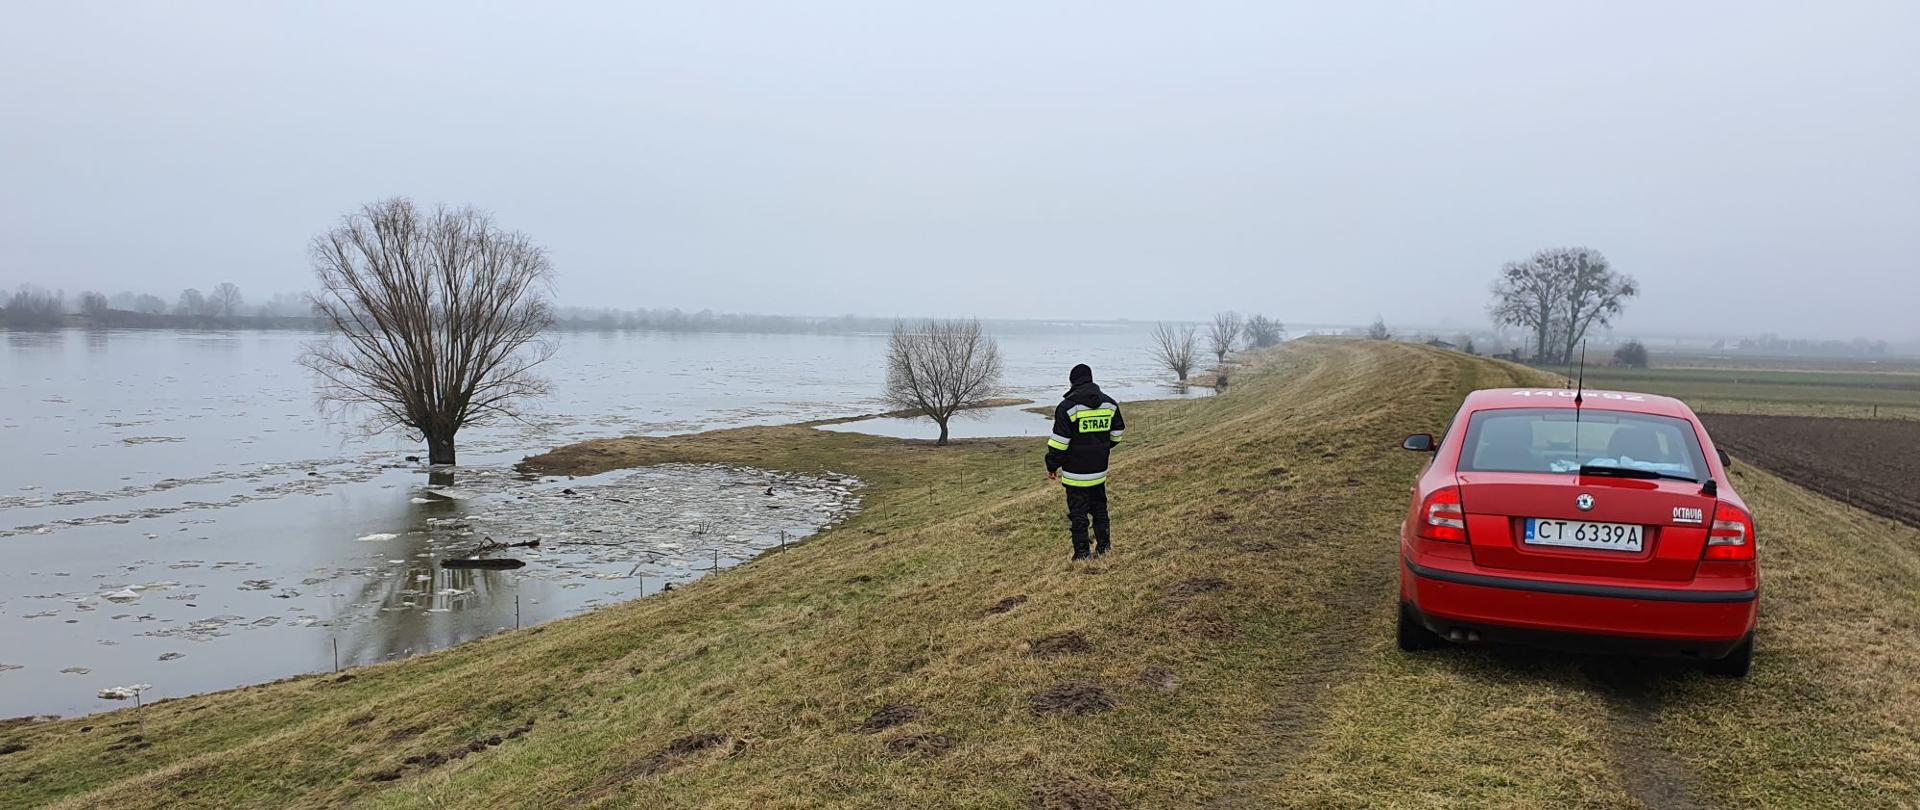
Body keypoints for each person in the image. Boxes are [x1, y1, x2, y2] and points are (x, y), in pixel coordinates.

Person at [1044, 364, 1126, 560]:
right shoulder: (1110, 404)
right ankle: (1104, 548)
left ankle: (1081, 554)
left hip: (1075, 474)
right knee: (1100, 509)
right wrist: (1102, 448)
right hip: (1099, 471)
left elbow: (1059, 444)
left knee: (1078, 514)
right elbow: (1117, 433)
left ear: (1072, 382)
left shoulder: (1067, 408)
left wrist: (1052, 465)